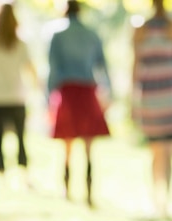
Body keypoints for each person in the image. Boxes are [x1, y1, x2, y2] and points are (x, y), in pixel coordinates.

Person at [132, 0, 172, 217]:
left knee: (165, 151)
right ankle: (158, 199)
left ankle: (163, 200)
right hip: (157, 96)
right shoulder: (145, 29)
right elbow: (135, 65)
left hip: (165, 95)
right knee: (161, 151)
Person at [47, 0, 111, 207]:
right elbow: (103, 67)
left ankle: (67, 188)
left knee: (67, 145)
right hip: (87, 91)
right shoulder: (91, 34)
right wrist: (109, 94)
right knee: (88, 146)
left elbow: (52, 69)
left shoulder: (57, 35)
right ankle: (88, 189)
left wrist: (48, 96)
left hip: (67, 92)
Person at [0, 1, 38, 176]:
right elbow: (30, 69)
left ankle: (1, 170)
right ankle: (23, 171)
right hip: (16, 95)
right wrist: (36, 88)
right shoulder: (20, 43)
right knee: (20, 136)